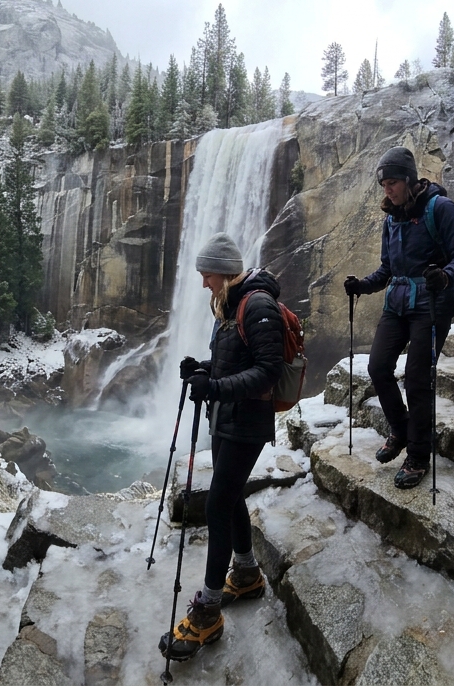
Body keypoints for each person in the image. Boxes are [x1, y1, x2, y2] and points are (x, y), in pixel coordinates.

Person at [160, 232, 284, 663]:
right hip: (228, 419)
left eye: (205, 274)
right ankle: (247, 573)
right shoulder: (229, 305)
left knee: (216, 505)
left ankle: (208, 611)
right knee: (229, 500)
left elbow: (268, 372)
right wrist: (203, 367)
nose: (201, 284)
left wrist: (213, 387)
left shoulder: (259, 306)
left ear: (224, 272)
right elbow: (236, 361)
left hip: (246, 424)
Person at [343, 146, 454, 489]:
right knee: (377, 367)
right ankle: (401, 431)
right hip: (397, 302)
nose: (387, 189)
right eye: (383, 183)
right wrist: (362, 286)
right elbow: (388, 268)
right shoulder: (392, 218)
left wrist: (445, 277)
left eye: (392, 182)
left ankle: (418, 454)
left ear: (408, 179)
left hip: (432, 304)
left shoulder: (440, 208)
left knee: (417, 378)